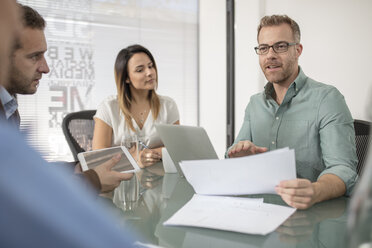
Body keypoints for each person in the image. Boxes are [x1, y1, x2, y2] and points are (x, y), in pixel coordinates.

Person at [0, 1, 136, 247]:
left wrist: (76, 167)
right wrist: (92, 180)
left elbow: (23, 174)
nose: (46, 67)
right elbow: (16, 196)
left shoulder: (8, 103)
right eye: (34, 57)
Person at [227, 15, 358, 209]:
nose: (270, 55)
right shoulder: (254, 104)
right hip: (260, 210)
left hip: (312, 216)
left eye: (280, 46)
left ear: (297, 50)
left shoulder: (328, 98)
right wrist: (238, 156)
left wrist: (315, 190)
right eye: (263, 48)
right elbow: (234, 154)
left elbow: (343, 169)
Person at [93, 44, 180, 168]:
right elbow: (98, 158)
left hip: (157, 179)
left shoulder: (168, 106)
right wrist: (136, 159)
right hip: (119, 182)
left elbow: (176, 149)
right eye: (140, 70)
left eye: (150, 66)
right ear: (126, 77)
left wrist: (149, 155)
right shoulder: (108, 107)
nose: (150, 72)